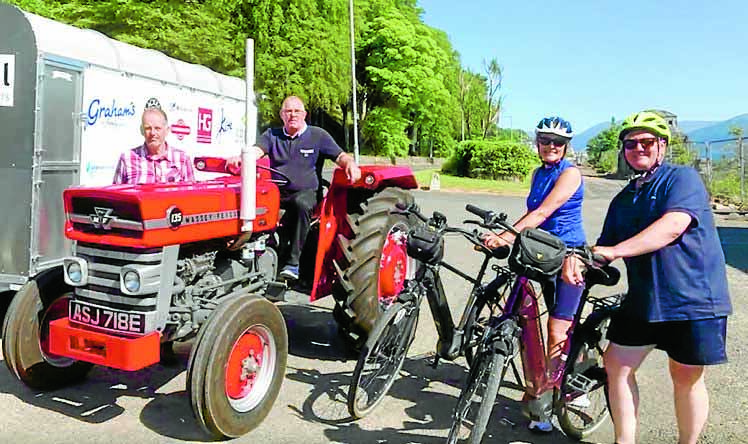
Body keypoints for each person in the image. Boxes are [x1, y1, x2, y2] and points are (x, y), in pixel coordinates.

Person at [562, 111, 732, 444]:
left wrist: (615, 251)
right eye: (631, 143)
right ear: (624, 150)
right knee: (617, 365)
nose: (638, 148)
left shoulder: (682, 179)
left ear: (662, 146)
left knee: (685, 377)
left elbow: (671, 227)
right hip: (645, 299)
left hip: (693, 299)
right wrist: (577, 259)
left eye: (647, 142)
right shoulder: (623, 199)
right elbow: (603, 247)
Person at [484, 116, 585, 433]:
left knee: (558, 330)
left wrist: (507, 235)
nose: (551, 146)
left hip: (568, 254)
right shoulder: (537, 173)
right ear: (537, 143)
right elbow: (534, 217)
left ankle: (562, 396)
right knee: (522, 313)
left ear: (566, 146)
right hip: (540, 250)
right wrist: (508, 237)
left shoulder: (571, 173)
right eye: (545, 140)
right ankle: (537, 380)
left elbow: (543, 212)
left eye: (557, 142)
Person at [232, 95, 361, 281]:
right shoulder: (272, 135)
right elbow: (256, 151)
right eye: (288, 111)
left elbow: (340, 156)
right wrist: (242, 157)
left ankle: (293, 264)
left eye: (297, 111)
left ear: (304, 114)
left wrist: (350, 163)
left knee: (301, 204)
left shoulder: (318, 135)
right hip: (278, 193)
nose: (292, 115)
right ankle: (251, 259)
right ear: (281, 115)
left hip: (306, 193)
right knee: (251, 203)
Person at [113, 100, 195, 184]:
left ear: (167, 130)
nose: (152, 133)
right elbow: (115, 195)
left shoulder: (183, 159)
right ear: (142, 131)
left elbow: (190, 195)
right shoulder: (127, 158)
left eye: (157, 128)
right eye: (148, 128)